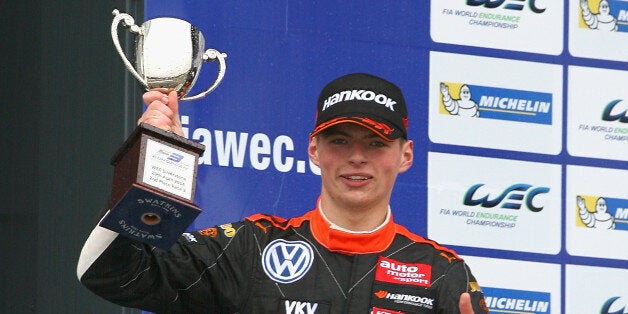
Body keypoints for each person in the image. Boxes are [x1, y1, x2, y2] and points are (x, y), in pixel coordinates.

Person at [77, 73, 489, 313]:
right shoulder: (250, 249)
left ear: (405, 155)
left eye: (377, 144)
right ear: (314, 150)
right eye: (340, 141)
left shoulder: (441, 272)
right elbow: (106, 273)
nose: (357, 158)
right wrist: (153, 170)